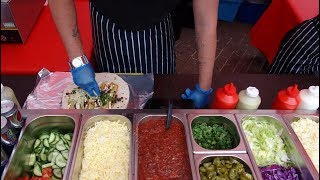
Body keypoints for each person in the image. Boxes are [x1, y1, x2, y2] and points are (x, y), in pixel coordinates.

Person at [49, 0, 218, 108]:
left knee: (159, 99)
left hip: (157, 26)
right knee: (109, 103)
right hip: (108, 22)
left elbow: (206, 24)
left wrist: (204, 87)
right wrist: (78, 60)